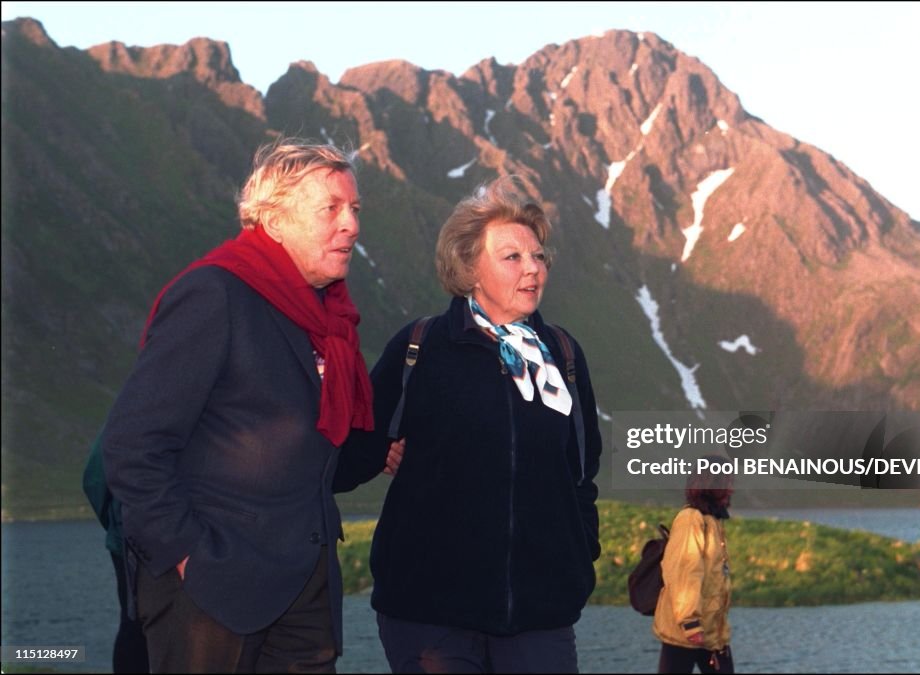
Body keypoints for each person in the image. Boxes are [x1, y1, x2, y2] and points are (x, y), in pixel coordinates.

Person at [102, 139, 387, 673]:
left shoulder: (325, 319)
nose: (351, 225)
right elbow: (133, 445)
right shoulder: (216, 294)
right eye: (331, 208)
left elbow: (312, 454)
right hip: (213, 595)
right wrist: (188, 554)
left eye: (354, 209)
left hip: (304, 592)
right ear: (274, 219)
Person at [349, 177, 603, 673]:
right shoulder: (421, 348)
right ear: (469, 269)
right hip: (431, 617)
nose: (532, 269)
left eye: (538, 256)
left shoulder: (565, 355)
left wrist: (578, 554)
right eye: (512, 257)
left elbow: (582, 471)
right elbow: (355, 445)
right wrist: (381, 453)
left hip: (538, 614)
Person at [654, 455, 735, 674]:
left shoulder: (712, 520)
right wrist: (690, 623)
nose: (731, 489)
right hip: (688, 631)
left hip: (711, 632)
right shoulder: (691, 520)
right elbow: (684, 571)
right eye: (727, 482)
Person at [82, 427, 149, 673]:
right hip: (132, 539)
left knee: (133, 622)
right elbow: (94, 479)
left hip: (125, 538)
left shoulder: (126, 414)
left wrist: (114, 524)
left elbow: (94, 479)